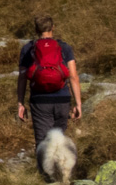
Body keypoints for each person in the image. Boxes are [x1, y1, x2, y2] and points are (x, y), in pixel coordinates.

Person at [15, 14, 81, 154]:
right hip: (62, 99)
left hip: (40, 101)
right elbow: (73, 77)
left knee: (43, 143)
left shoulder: (28, 49)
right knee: (59, 140)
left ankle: (45, 174)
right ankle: (60, 171)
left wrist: (21, 103)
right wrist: (78, 104)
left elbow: (22, 78)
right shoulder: (64, 47)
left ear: (36, 30)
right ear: (53, 28)